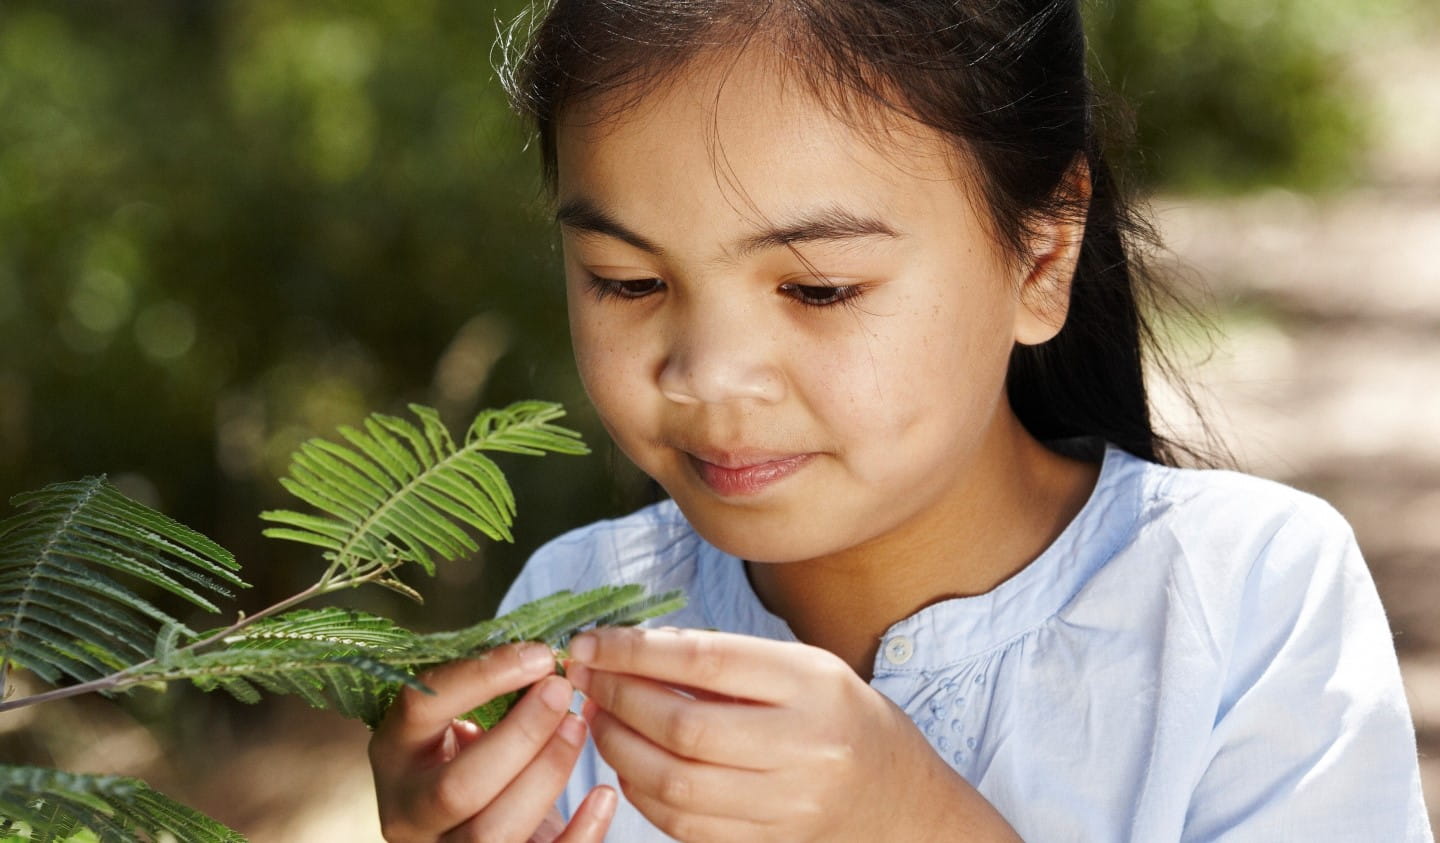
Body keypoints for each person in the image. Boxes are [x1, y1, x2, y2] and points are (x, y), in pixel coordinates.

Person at [367, 1, 1433, 840]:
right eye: (628, 280)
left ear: (1042, 256)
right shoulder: (570, 626)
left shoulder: (1246, 599)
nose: (710, 376)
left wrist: (911, 824)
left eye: (820, 289)